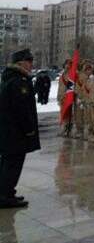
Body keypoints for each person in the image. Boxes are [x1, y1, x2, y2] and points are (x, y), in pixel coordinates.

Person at [0, 48, 40, 208]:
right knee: (13, 165)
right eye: (29, 61)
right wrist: (29, 129)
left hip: (8, 132)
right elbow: (22, 110)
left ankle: (6, 192)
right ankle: (5, 196)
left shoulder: (10, 79)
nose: (31, 64)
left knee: (7, 163)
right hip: (15, 133)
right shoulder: (19, 82)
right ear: (20, 63)